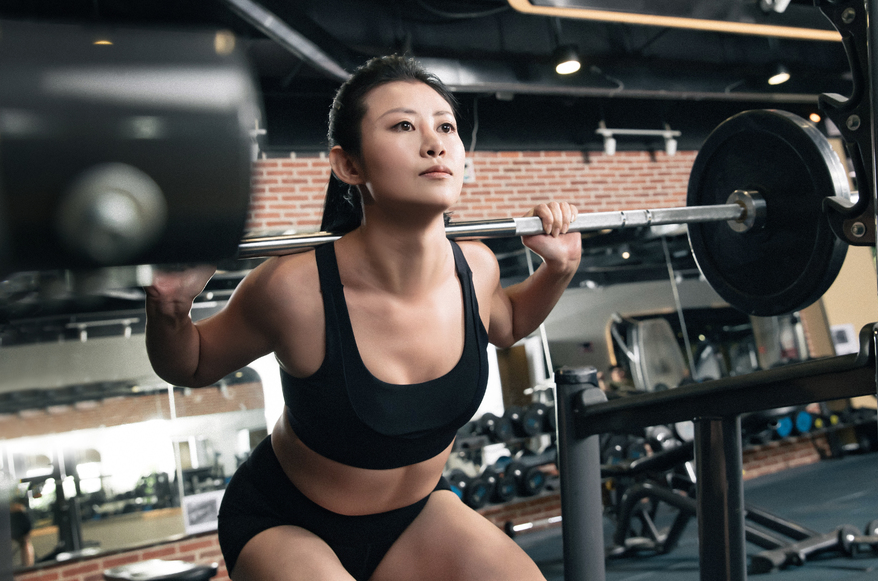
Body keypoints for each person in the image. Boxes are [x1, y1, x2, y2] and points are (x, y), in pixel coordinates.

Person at [144, 55, 581, 581]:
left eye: (445, 126)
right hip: (288, 522)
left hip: (416, 514)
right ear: (349, 165)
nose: (435, 143)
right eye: (403, 126)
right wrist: (170, 307)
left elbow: (507, 324)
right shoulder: (295, 288)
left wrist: (557, 271)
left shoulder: (477, 266)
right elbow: (192, 364)